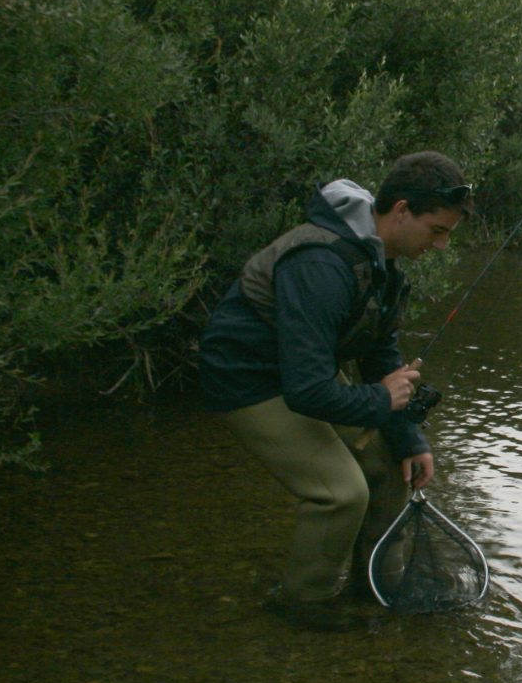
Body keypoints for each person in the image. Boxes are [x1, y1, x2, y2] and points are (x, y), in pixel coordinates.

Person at [199, 151, 472, 628]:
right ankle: (306, 605)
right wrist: (380, 399)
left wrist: (409, 439)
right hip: (247, 378)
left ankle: (379, 587)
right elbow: (307, 392)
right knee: (341, 493)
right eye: (437, 231)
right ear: (402, 210)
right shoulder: (321, 263)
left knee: (390, 468)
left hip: (304, 373)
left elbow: (379, 353)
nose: (442, 245)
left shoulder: (380, 261)